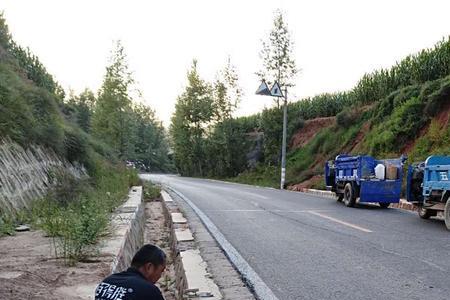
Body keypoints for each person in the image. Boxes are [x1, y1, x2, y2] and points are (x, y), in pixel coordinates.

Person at [95, 244, 167, 300]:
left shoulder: (107, 282)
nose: (160, 276)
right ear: (149, 267)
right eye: (161, 270)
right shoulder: (149, 291)